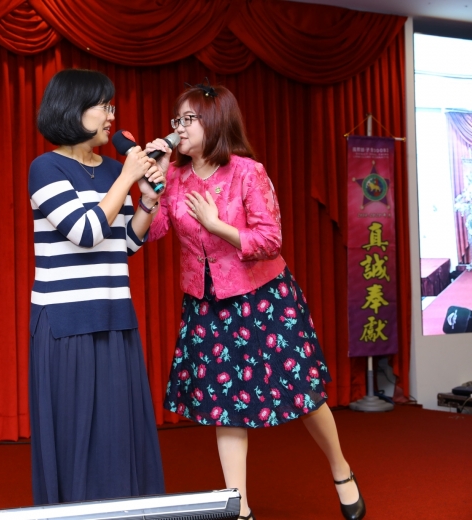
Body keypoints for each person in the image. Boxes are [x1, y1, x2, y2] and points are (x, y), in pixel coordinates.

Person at [144, 82, 366, 520]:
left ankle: (340, 468)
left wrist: (217, 225)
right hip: (207, 304)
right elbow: (153, 232)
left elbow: (269, 239)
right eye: (177, 120)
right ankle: (240, 506)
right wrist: (151, 189)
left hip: (264, 299)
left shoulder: (247, 172)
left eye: (189, 119)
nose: (179, 129)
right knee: (225, 404)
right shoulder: (176, 177)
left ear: (215, 122)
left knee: (304, 394)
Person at [27, 69, 166, 505]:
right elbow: (85, 232)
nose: (111, 116)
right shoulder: (45, 168)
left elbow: (125, 244)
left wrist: (148, 200)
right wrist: (127, 179)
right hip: (67, 322)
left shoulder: (111, 169)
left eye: (111, 106)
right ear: (73, 109)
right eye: (104, 106)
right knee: (75, 436)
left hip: (114, 316)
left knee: (117, 434)